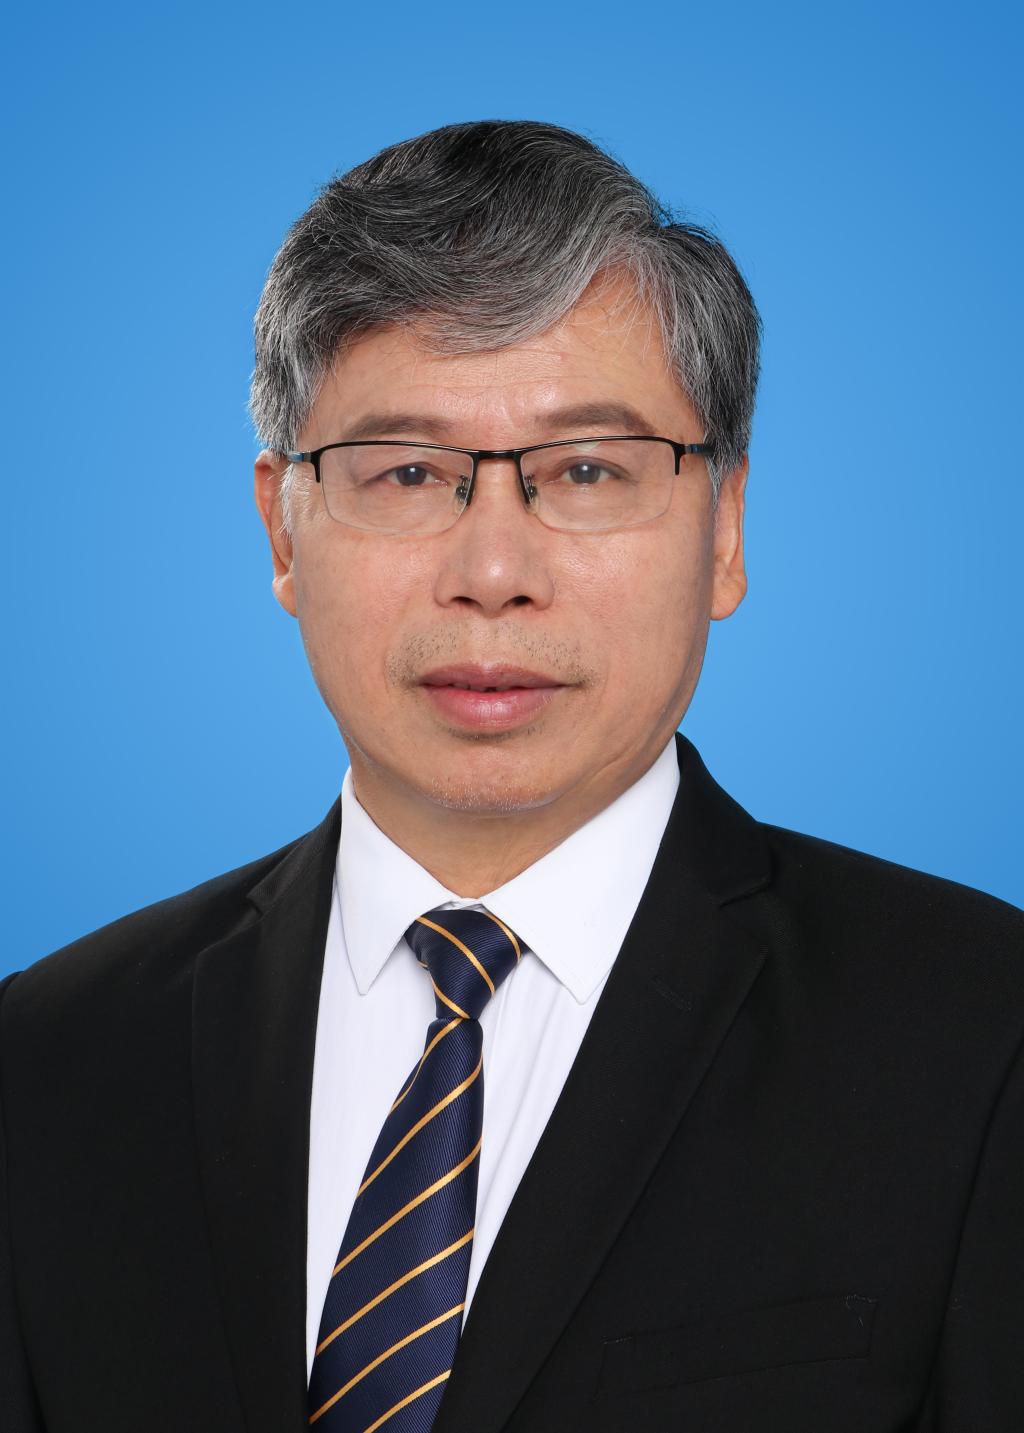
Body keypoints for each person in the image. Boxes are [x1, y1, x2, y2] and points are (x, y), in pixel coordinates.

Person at [1, 119, 1022, 1433]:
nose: (493, 573)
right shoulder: (49, 1062)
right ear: (283, 532)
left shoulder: (980, 1038)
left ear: (724, 529)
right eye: (407, 472)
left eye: (586, 470)